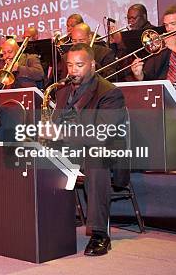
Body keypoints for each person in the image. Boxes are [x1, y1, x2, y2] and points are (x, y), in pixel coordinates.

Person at [52, 43, 128, 256]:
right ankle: (47, 224)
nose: (73, 70)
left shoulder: (110, 93)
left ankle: (99, 234)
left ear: (93, 65)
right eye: (69, 65)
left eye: (79, 65)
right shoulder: (62, 91)